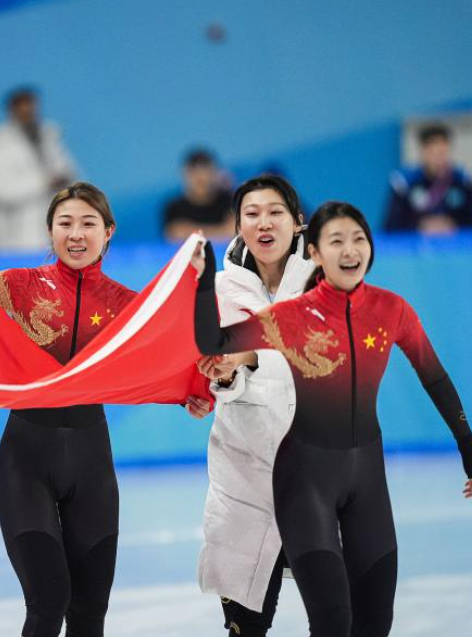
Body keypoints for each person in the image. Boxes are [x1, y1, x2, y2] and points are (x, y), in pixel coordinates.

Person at [191, 201, 472, 636]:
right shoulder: (290, 316)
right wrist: (204, 281)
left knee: (374, 623)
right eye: (336, 240)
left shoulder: (392, 309)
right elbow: (214, 341)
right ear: (316, 253)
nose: (350, 249)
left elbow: (434, 377)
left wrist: (468, 449)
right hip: (305, 484)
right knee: (333, 622)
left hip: (367, 483)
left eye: (358, 239)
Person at [0, 181, 134, 636]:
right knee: (48, 600)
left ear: (108, 231)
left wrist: (196, 391)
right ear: (50, 231)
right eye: (65, 223)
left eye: (88, 223)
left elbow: (178, 352)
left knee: (90, 611)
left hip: (93, 465)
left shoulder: (128, 307)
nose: (76, 234)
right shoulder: (17, 286)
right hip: (26, 463)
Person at [184, 175, 313, 637]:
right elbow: (210, 366)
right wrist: (216, 380)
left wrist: (247, 360)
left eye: (276, 212)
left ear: (298, 222)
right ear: (237, 226)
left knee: (340, 617)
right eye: (251, 214)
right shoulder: (217, 289)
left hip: (319, 476)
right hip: (243, 478)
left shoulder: (326, 284)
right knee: (245, 627)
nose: (264, 223)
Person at [0, 86, 78, 251]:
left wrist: (65, 182)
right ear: (12, 111)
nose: (28, 113)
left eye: (31, 108)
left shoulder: (49, 137)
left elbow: (70, 174)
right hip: (17, 233)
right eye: (22, 109)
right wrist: (44, 183)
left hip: (52, 228)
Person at [385, 123, 472, 235]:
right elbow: (391, 226)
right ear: (423, 152)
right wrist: (419, 226)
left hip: (456, 244)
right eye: (434, 153)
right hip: (414, 244)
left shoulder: (462, 181)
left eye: (443, 153)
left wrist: (453, 224)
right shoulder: (405, 183)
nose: (439, 159)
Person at [162, 147, 234, 243]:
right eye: (195, 172)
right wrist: (220, 231)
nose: (200, 178)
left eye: (205, 172)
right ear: (185, 174)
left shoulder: (230, 202)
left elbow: (233, 232)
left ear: (215, 173)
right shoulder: (174, 208)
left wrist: (190, 232)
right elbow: (174, 235)